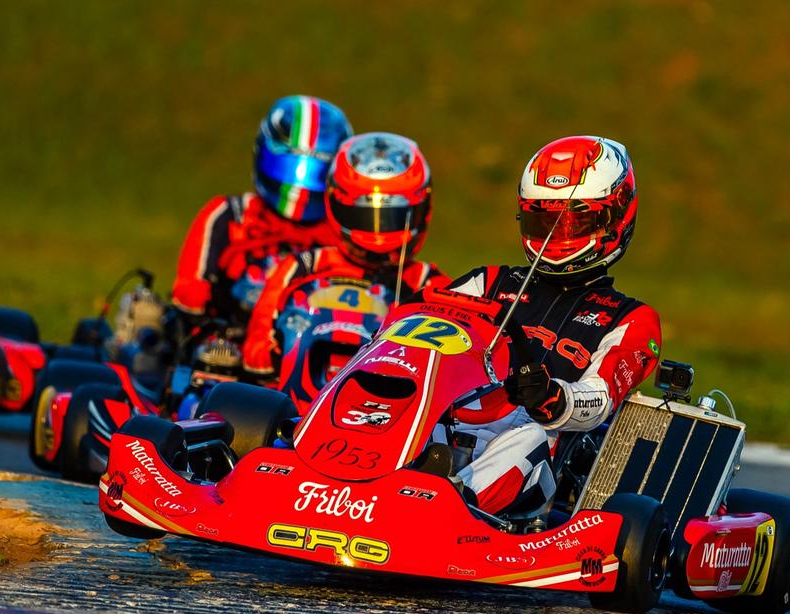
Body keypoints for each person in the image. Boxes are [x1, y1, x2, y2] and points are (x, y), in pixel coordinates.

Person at [436, 135, 662, 517]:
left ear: (614, 218)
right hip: (453, 428)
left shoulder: (630, 319)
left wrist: (551, 396)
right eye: (545, 222)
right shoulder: (488, 284)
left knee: (528, 437)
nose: (557, 239)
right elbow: (413, 330)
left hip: (535, 454)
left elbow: (600, 397)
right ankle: (386, 479)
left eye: (576, 222)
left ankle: (453, 506)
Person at [242, 132, 449, 380]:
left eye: (391, 217)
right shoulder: (304, 267)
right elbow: (257, 356)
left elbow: (449, 369)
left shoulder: (429, 284)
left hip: (387, 407)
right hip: (296, 409)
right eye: (364, 215)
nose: (378, 230)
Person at [170, 95, 353, 327]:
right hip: (230, 347)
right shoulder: (232, 215)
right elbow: (190, 296)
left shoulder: (343, 237)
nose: (300, 192)